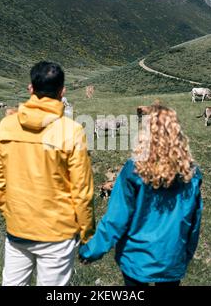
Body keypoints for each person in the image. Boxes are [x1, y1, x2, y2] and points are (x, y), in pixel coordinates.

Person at [0, 61, 95, 286]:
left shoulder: (6, 126)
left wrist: (10, 210)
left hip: (18, 228)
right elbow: (82, 191)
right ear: (62, 91)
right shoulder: (72, 131)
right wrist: (87, 234)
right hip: (58, 232)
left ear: (31, 89)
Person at [79, 104, 203, 286]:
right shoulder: (191, 175)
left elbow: (116, 219)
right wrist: (186, 254)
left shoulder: (133, 171)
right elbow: (194, 222)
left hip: (136, 259)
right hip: (172, 257)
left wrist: (91, 251)